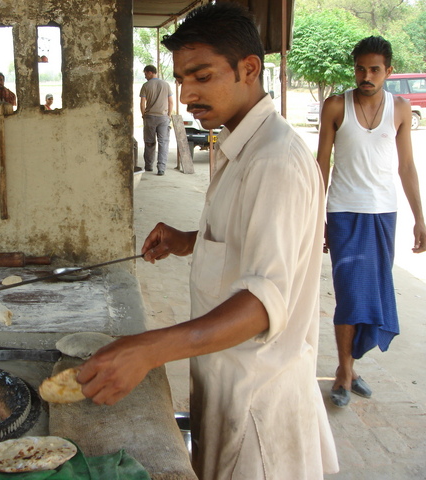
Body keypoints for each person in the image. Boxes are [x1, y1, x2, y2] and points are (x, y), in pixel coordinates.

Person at [77, 3, 338, 479]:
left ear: (249, 69)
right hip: (223, 385)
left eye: (201, 76)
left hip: (257, 401)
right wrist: (191, 240)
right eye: (181, 79)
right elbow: (252, 237)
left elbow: (264, 304)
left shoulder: (275, 161)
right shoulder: (239, 145)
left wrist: (149, 349)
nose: (187, 93)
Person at [316, 36, 426, 408]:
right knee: (349, 293)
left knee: (371, 293)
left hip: (384, 213)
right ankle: (344, 372)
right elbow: (322, 164)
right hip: (344, 212)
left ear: (389, 72)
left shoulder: (400, 108)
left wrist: (419, 219)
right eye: (361, 68)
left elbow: (407, 166)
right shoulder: (335, 106)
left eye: (375, 69)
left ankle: (350, 368)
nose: (366, 76)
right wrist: (318, 216)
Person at [140, 65, 173, 175]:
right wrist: (168, 115)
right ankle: (161, 168)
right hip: (163, 117)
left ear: (150, 72)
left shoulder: (145, 86)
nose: (145, 76)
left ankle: (149, 165)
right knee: (163, 143)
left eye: (145, 74)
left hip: (150, 117)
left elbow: (142, 103)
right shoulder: (166, 85)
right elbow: (171, 102)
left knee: (149, 142)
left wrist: (143, 114)